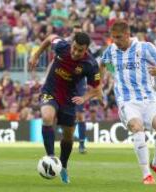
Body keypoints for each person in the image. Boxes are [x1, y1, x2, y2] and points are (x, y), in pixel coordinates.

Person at [100, 20, 156, 184]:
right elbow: (102, 65)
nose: (115, 41)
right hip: (127, 100)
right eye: (113, 38)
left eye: (118, 37)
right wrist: (99, 83)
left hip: (148, 98)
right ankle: (146, 174)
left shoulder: (145, 48)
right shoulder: (111, 50)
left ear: (127, 34)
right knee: (137, 127)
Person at [29, 32, 102, 184]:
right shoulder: (62, 46)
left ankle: (63, 166)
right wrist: (36, 55)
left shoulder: (90, 64)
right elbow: (50, 37)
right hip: (50, 92)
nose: (75, 52)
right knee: (47, 117)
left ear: (86, 49)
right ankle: (50, 158)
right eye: (74, 48)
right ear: (71, 44)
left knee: (68, 136)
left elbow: (97, 90)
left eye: (80, 50)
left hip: (69, 100)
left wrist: (84, 98)